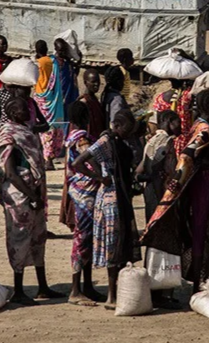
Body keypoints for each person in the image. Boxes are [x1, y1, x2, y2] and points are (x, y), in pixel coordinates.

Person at [142, 91, 209, 294]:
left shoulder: (196, 125)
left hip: (197, 185)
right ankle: (198, 283)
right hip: (203, 188)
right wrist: (176, 181)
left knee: (197, 231)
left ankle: (199, 279)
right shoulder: (205, 130)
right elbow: (188, 154)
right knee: (200, 232)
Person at [0, 99, 60, 305]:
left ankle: (42, 286)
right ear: (11, 112)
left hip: (34, 191)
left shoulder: (27, 132)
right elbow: (11, 172)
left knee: (38, 238)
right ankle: (19, 290)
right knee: (19, 240)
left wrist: (37, 195)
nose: (25, 112)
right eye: (21, 108)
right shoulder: (8, 136)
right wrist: (32, 195)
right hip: (19, 193)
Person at [73, 109, 141, 308]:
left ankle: (118, 292)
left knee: (121, 242)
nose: (129, 132)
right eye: (127, 128)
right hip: (110, 199)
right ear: (117, 126)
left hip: (121, 196)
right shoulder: (105, 142)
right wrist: (99, 177)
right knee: (113, 245)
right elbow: (78, 162)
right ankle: (111, 296)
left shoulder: (121, 142)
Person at [64, 101, 103, 306]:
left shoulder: (71, 136)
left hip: (79, 191)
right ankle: (75, 290)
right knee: (82, 239)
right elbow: (87, 161)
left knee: (86, 240)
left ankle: (87, 286)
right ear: (86, 118)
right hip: (85, 194)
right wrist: (100, 175)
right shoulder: (82, 139)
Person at [34, 38, 80, 164]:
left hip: (58, 98)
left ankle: (54, 153)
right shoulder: (51, 62)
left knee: (56, 127)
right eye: (60, 50)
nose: (62, 52)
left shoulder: (63, 64)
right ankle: (48, 157)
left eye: (64, 50)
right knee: (50, 127)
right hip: (52, 99)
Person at [136, 110, 181, 223]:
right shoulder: (165, 141)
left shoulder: (152, 140)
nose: (180, 127)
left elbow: (142, 166)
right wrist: (162, 198)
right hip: (159, 189)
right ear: (169, 122)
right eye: (178, 123)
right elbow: (156, 168)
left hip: (151, 189)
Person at [78, 68, 105, 140]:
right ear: (85, 83)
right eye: (93, 82)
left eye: (98, 81)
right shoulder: (83, 103)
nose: (96, 84)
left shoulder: (94, 99)